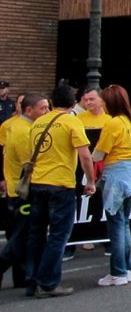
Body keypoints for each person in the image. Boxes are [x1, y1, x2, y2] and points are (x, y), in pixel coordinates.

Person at [26, 85, 96, 298]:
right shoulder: (71, 121)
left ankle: (32, 281)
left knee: (37, 234)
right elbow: (85, 156)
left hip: (37, 183)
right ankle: (48, 283)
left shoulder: (38, 123)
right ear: (74, 103)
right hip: (61, 184)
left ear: (52, 102)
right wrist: (90, 180)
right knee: (58, 235)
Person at [93, 85, 131, 286]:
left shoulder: (113, 123)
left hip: (116, 176)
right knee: (124, 224)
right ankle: (126, 269)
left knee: (116, 225)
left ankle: (117, 272)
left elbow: (99, 153)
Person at [0, 93, 48, 290]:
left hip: (20, 190)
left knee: (24, 236)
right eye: (43, 108)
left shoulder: (23, 127)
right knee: (21, 237)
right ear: (29, 110)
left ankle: (24, 278)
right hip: (23, 192)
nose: (47, 112)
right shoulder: (23, 131)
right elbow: (28, 165)